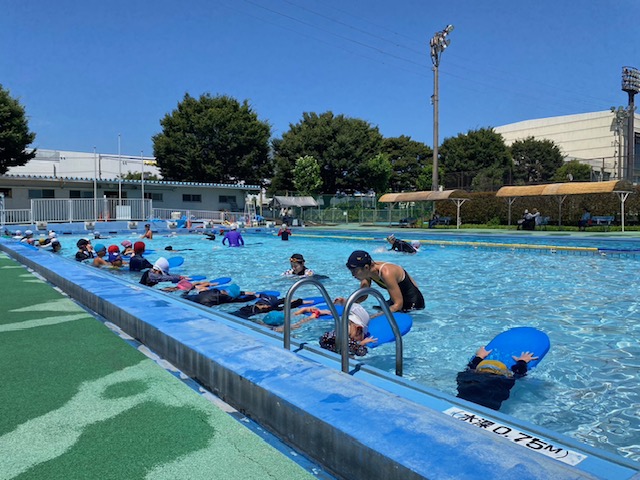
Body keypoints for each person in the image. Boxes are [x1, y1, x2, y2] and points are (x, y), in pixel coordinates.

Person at [456, 346, 538, 410]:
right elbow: (519, 373)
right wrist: (522, 361)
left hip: (459, 404)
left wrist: (479, 356)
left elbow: (470, 369)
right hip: (488, 410)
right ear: (507, 374)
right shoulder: (503, 381)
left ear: (476, 370)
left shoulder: (463, 377)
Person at [344, 250, 424, 313]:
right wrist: (346, 302)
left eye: (355, 271)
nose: (352, 274)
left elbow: (398, 305)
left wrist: (375, 317)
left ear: (366, 267)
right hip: (396, 300)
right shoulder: (368, 272)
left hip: (413, 303)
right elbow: (363, 296)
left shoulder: (386, 273)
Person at [295, 301, 376, 357]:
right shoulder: (348, 341)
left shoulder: (333, 334)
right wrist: (361, 344)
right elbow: (361, 353)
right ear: (358, 329)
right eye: (361, 334)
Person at [181, 283, 256, 307]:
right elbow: (242, 300)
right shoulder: (225, 298)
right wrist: (254, 296)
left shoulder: (214, 290)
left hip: (188, 299)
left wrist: (242, 293)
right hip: (200, 305)